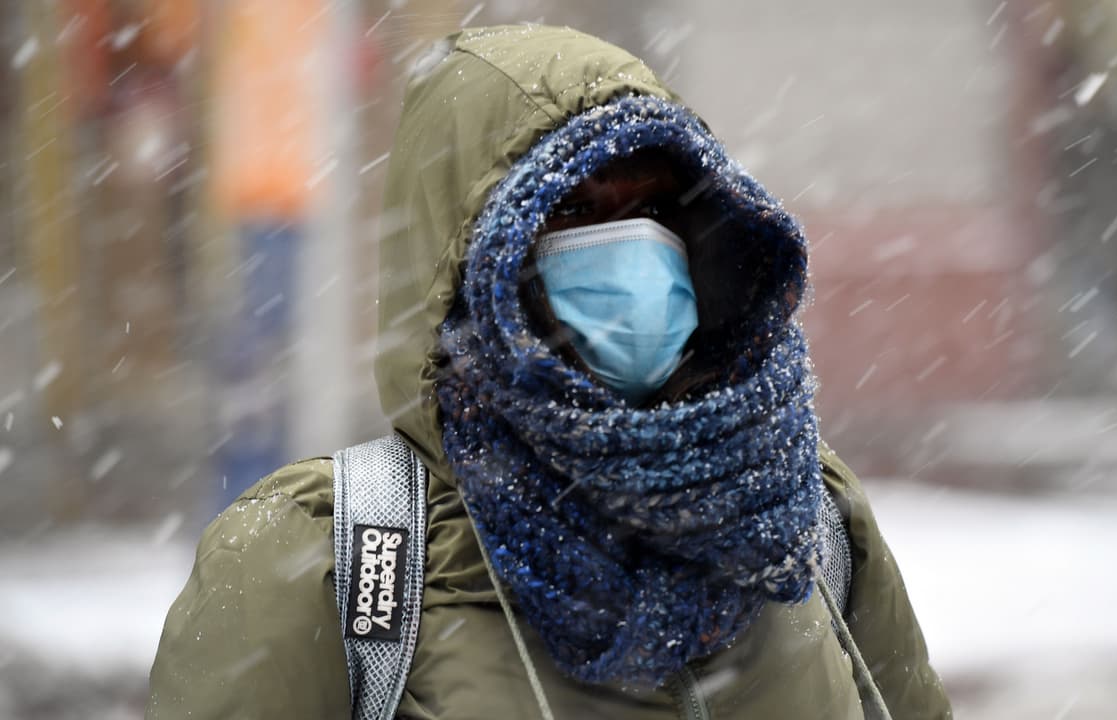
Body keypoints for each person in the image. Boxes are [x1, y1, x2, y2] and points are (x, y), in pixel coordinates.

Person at [147, 25, 952, 719]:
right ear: (470, 266)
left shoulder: (810, 524)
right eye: (573, 212)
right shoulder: (331, 561)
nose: (631, 248)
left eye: (656, 210)